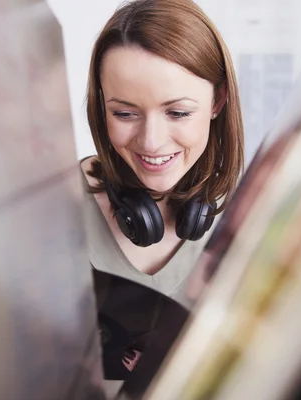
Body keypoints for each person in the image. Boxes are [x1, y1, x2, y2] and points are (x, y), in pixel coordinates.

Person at [79, 0, 244, 377]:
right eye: (124, 113)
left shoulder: (253, 212)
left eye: (178, 112)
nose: (151, 142)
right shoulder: (51, 207)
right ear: (100, 106)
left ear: (217, 101)